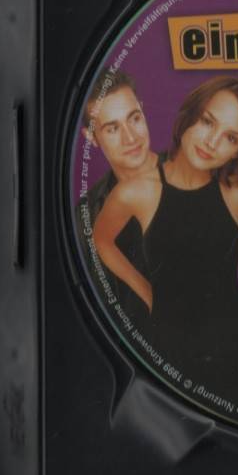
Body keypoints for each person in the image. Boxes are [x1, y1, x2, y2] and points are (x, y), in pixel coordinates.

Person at [93, 76, 238, 424]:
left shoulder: (237, 194)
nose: (212, 142)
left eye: (231, 138)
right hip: (169, 342)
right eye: (208, 122)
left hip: (237, 346)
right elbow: (102, 240)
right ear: (190, 115)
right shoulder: (137, 191)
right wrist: (145, 290)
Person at [76, 69, 157, 324]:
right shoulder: (85, 216)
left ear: (142, 110)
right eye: (112, 128)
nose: (130, 137)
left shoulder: (194, 181)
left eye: (134, 118)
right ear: (91, 137)